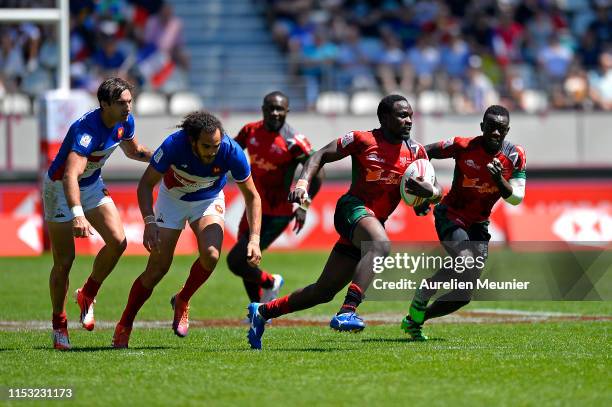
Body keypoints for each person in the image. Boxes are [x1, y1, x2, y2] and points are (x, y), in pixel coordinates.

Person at [246, 94, 442, 350]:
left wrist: (428, 194)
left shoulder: (416, 152)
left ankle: (262, 312)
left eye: (410, 116)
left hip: (370, 223)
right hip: (351, 209)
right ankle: (348, 310)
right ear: (384, 118)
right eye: (402, 115)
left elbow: (435, 190)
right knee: (380, 244)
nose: (408, 120)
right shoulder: (363, 140)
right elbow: (319, 155)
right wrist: (303, 183)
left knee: (322, 291)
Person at [112, 111, 262, 348]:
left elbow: (252, 197)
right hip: (172, 199)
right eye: (206, 146)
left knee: (211, 255)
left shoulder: (231, 151)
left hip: (208, 199)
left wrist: (254, 239)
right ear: (192, 141)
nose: (212, 151)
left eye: (216, 146)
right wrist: (149, 222)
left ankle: (182, 300)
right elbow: (145, 185)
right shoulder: (174, 145)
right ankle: (125, 324)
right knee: (157, 269)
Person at [43, 77, 152, 350]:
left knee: (118, 241)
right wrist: (77, 214)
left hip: (90, 185)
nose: (128, 107)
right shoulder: (86, 130)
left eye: (130, 101)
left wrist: (164, 158)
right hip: (60, 188)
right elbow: (70, 175)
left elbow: (134, 151)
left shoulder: (125, 121)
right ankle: (59, 324)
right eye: (121, 103)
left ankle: (88, 293)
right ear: (104, 104)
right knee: (64, 261)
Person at [402, 105, 526, 341]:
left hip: (479, 224)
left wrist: (498, 178)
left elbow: (516, 198)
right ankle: (426, 289)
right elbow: (421, 153)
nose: (496, 133)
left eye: (501, 129)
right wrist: (426, 189)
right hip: (451, 215)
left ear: (508, 130)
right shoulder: (462, 146)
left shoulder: (515, 156)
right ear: (482, 127)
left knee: (463, 295)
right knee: (465, 260)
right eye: (491, 128)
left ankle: (415, 320)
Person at [227, 91, 323, 305]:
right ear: (263, 109)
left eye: (280, 109)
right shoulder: (250, 130)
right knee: (248, 259)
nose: (275, 113)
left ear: (287, 111)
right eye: (270, 108)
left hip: (276, 212)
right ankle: (257, 310)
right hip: (253, 207)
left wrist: (304, 206)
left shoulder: (294, 142)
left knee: (236, 261)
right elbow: (231, 151)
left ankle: (271, 282)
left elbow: (318, 174)